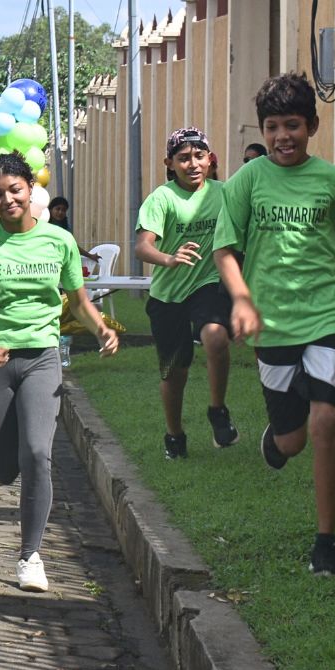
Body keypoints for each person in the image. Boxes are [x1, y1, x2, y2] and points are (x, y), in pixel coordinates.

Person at [213, 73, 335, 577]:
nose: (281, 136)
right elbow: (224, 250)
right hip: (271, 322)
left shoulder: (333, 180)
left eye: (292, 125)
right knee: (293, 441)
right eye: (272, 127)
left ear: (312, 126)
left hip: (328, 313)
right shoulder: (246, 182)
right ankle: (277, 437)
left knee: (326, 421)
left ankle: (326, 541)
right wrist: (244, 300)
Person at [0, 154, 119, 593]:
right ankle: (3, 467)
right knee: (2, 469)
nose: (7, 199)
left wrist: (102, 328)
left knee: (37, 452)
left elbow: (78, 301)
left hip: (41, 358)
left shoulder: (58, 241)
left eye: (15, 190)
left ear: (30, 189)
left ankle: (30, 554)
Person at [135, 127, 238, 459]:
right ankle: (174, 435)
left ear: (210, 160)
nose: (192, 164)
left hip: (208, 283)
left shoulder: (225, 193)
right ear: (170, 163)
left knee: (216, 338)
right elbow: (141, 247)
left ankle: (217, 410)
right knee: (174, 373)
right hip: (168, 297)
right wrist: (170, 258)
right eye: (183, 158)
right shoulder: (162, 199)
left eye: (198, 156)